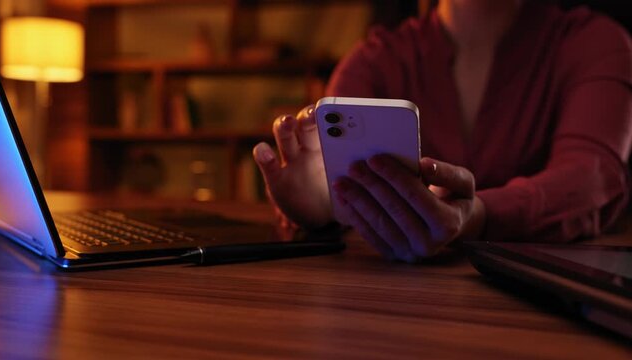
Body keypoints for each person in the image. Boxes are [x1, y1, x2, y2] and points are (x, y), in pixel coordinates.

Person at [252, 0, 632, 263]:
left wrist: (478, 215)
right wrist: (321, 204)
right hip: (393, 306)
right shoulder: (375, 59)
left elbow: (591, 177)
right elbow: (326, 174)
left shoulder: (594, 42)